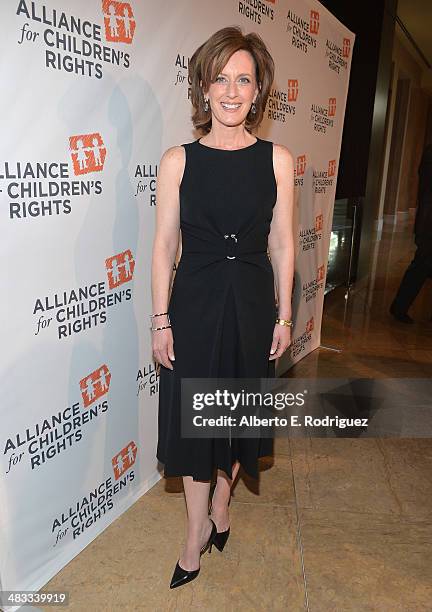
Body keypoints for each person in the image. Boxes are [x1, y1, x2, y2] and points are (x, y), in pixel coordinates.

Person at [150, 26, 294, 589]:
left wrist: (284, 315)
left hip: (255, 303)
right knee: (195, 428)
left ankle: (223, 506)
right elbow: (164, 247)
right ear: (203, 88)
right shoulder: (177, 161)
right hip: (195, 305)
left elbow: (282, 243)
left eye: (244, 79)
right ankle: (193, 539)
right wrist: (160, 319)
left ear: (257, 93)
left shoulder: (277, 160)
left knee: (238, 421)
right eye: (221, 78)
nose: (231, 91)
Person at [390, 143, 432, 323]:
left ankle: (399, 307)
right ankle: (399, 307)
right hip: (429, 223)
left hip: (427, 222)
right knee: (421, 265)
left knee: (421, 265)